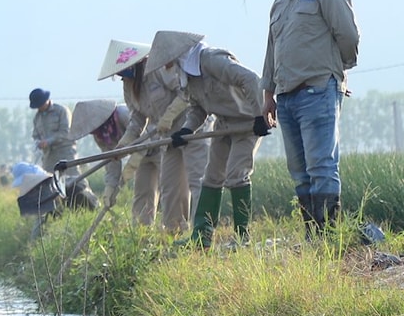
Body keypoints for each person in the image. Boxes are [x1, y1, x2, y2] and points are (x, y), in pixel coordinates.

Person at [261, 0, 359, 230]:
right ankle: (313, 234)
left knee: (321, 165)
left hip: (318, 91)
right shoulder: (280, 2)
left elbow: (349, 36)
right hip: (287, 96)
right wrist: (267, 94)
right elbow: (272, 49)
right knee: (299, 171)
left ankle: (329, 234)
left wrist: (334, 70)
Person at [153, 31, 270, 245]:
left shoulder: (212, 60)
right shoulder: (186, 75)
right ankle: (202, 236)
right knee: (211, 178)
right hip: (223, 125)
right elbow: (198, 108)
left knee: (236, 175)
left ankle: (243, 238)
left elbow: (251, 79)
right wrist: (187, 130)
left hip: (246, 123)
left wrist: (259, 115)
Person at [100, 35, 194, 234]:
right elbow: (137, 119)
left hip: (186, 128)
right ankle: (170, 233)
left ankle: (187, 231)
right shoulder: (128, 87)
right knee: (167, 188)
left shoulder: (158, 70)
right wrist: (124, 144)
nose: (122, 77)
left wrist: (168, 116)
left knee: (179, 186)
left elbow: (185, 93)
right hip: (165, 138)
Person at [30, 88, 96, 210]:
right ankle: (59, 211)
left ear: (46, 100)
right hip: (49, 156)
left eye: (40, 104)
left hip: (66, 152)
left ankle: (93, 204)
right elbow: (35, 135)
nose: (39, 108)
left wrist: (48, 141)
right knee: (50, 185)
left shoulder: (61, 111)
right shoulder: (37, 118)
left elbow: (65, 132)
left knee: (77, 180)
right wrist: (38, 143)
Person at [67, 98, 132, 204]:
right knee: (142, 193)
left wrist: (132, 166)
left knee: (165, 187)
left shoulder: (124, 114)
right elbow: (112, 161)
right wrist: (110, 187)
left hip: (158, 148)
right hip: (142, 159)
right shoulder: (101, 136)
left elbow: (142, 139)